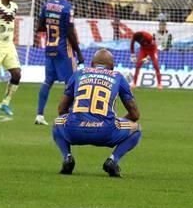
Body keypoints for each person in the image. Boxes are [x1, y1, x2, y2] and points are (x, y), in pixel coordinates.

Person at [52, 49, 141, 178]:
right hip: (105, 131)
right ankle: (113, 160)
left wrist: (75, 120)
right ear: (112, 66)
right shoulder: (117, 76)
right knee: (136, 129)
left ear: (92, 63)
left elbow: (61, 109)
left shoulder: (79, 74)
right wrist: (114, 121)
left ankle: (67, 158)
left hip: (74, 130)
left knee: (57, 123)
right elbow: (135, 115)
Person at [35, 0, 84, 125]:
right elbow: (69, 32)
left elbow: (39, 27)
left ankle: (39, 115)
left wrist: (52, 27)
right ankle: (69, 116)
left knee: (47, 82)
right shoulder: (68, 8)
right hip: (64, 50)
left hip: (50, 48)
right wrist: (79, 53)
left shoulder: (47, 4)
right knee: (72, 83)